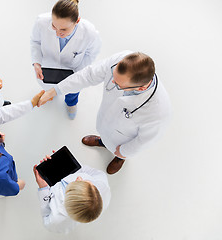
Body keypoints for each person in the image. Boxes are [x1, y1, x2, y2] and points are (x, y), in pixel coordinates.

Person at [38, 51, 172, 174]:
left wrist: (124, 151)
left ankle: (119, 159)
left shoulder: (158, 111)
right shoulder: (121, 61)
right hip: (106, 121)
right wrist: (54, 91)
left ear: (141, 87)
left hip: (123, 140)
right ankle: (102, 141)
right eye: (113, 76)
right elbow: (88, 75)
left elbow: (144, 140)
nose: (112, 82)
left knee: (119, 151)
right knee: (105, 134)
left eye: (118, 84)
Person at [30, 0, 101, 119]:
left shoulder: (90, 32)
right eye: (53, 26)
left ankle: (71, 104)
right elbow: (35, 42)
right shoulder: (41, 21)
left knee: (72, 92)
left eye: (63, 30)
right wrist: (36, 62)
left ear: (77, 21)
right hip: (48, 67)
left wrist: (78, 72)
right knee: (49, 86)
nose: (57, 33)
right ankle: (51, 94)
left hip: (73, 69)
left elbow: (91, 54)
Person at [33, 153, 111, 234]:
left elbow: (46, 217)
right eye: (86, 181)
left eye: (76, 182)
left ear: (66, 199)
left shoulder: (56, 220)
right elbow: (88, 171)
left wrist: (43, 188)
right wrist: (67, 163)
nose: (79, 177)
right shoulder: (102, 185)